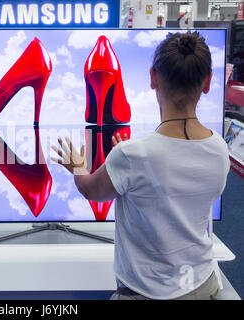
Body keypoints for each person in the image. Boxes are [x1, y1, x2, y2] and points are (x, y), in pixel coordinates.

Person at [51, 31, 230, 300]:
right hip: (204, 284)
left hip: (146, 293)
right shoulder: (220, 149)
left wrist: (78, 166)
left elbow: (91, 192)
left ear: (153, 78)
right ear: (207, 83)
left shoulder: (132, 154)